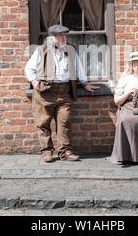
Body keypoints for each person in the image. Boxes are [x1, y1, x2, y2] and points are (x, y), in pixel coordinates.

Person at [25, 24, 99, 162]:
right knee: (43, 123)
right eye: (60, 36)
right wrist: (35, 82)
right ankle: (47, 152)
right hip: (45, 92)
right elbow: (29, 69)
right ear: (52, 38)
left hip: (65, 91)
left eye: (64, 36)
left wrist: (85, 84)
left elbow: (78, 68)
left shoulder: (70, 50)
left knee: (64, 122)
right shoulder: (41, 51)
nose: (63, 38)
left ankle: (64, 151)